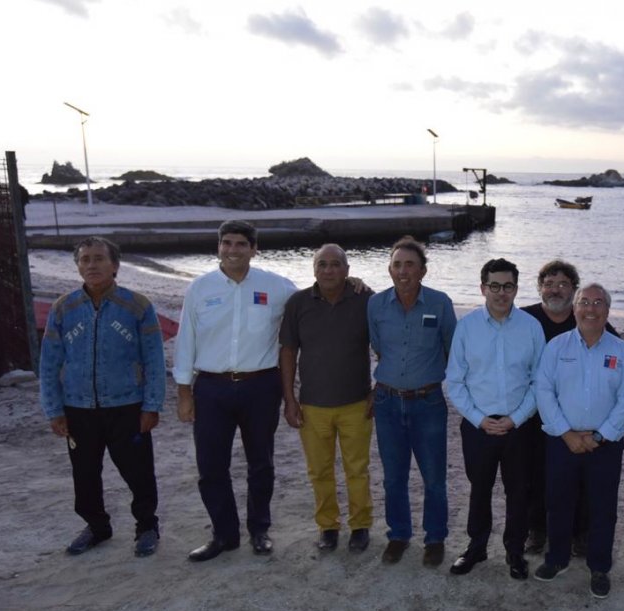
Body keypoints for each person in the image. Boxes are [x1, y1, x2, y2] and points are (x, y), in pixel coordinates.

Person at [174, 220, 299, 562]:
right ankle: (224, 535)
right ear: (218, 247)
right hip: (211, 388)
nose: (232, 250)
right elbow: (186, 340)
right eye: (226, 243)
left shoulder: (277, 287)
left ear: (254, 249)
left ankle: (259, 529)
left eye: (240, 244)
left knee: (261, 463)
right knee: (211, 466)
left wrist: (353, 283)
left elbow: (313, 300)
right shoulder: (200, 289)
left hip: (261, 386)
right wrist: (184, 392)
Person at [39, 237, 166, 557]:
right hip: (78, 408)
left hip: (126, 406)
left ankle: (147, 527)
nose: (91, 265)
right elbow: (49, 363)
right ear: (78, 266)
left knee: (138, 471)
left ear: (115, 265)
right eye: (84, 260)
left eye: (98, 259)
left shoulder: (137, 306)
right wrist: (54, 409)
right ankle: (96, 527)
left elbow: (154, 359)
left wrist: (151, 405)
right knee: (84, 473)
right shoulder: (63, 308)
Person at [533, 283, 624, 600]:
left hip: (604, 445)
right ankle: (557, 559)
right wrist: (566, 433)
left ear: (607, 310)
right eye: (584, 302)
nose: (590, 308)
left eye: (597, 302)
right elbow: (543, 392)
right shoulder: (556, 347)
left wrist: (600, 435)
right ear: (574, 308)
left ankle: (599, 567)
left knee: (603, 508)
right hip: (561, 441)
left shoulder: (622, 351)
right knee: (558, 503)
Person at [445, 258, 546, 580]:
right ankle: (476, 547)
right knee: (480, 488)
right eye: (494, 286)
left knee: (518, 491)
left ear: (516, 288)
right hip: (478, 426)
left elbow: (539, 381)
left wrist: (516, 418)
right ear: (483, 288)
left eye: (508, 286)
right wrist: (478, 419)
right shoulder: (467, 326)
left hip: (520, 427)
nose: (501, 293)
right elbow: (454, 381)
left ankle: (514, 552)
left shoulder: (531, 327)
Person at [279, 244, 375, 553]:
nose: (329, 270)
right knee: (319, 471)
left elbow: (385, 344)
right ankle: (328, 527)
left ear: (347, 270)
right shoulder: (298, 303)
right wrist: (290, 399)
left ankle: (360, 526)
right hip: (313, 405)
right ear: (314, 269)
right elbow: (288, 352)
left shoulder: (365, 300)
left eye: (336, 264)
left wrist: (378, 389)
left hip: (357, 403)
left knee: (357, 470)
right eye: (323, 264)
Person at [367, 235, 457, 567]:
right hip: (387, 403)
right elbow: (378, 346)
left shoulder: (440, 303)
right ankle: (399, 535)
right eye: (397, 264)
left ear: (423, 270)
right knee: (394, 476)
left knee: (434, 477)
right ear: (389, 269)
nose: (403, 271)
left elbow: (452, 349)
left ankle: (435, 538)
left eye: (410, 265)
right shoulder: (375, 305)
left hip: (428, 403)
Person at [520, 260, 618, 556]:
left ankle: (580, 533)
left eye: (563, 284)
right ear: (539, 288)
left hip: (580, 420)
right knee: (535, 477)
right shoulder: (524, 319)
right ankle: (536, 530)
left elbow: (615, 362)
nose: (555, 289)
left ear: (574, 291)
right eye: (549, 283)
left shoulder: (591, 320)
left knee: (582, 482)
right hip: (533, 414)